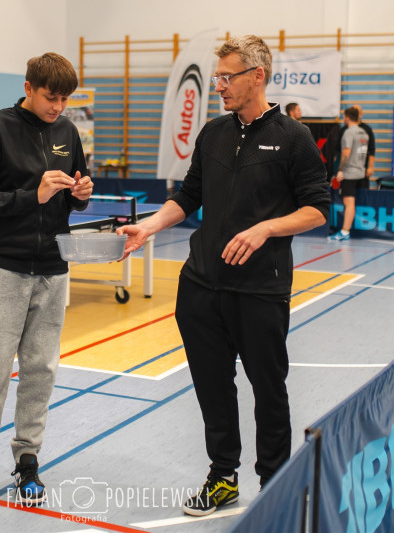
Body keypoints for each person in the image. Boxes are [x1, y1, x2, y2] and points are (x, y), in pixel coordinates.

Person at [117, 36, 329, 516]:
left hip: (259, 290)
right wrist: (149, 226)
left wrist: (265, 228)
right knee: (212, 386)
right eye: (217, 77)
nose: (219, 85)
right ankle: (223, 476)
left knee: (268, 389)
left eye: (227, 77)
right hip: (201, 286)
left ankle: (275, 484)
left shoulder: (294, 137)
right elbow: (188, 196)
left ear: (257, 76)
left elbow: (318, 209)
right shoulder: (212, 132)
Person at [0, 52, 93, 511]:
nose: (58, 107)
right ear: (29, 87)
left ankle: (27, 460)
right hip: (3, 269)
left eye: (65, 99)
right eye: (51, 97)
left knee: (41, 371)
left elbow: (73, 196)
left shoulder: (67, 131)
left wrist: (81, 194)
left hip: (53, 269)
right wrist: (32, 195)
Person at [329, 106, 370, 242]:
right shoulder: (364, 133)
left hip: (350, 172)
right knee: (351, 202)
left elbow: (346, 152)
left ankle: (345, 231)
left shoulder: (348, 132)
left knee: (349, 203)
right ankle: (345, 230)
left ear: (347, 117)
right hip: (360, 171)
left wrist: (340, 170)